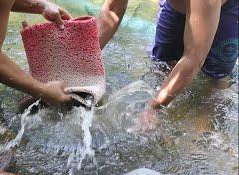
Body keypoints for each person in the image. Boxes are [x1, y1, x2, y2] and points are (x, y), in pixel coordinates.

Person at [98, 0, 238, 129]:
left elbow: (193, 59)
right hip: (177, 6)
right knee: (161, 65)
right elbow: (112, 10)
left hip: (223, 10)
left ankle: (203, 140)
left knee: (214, 82)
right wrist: (83, 63)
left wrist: (153, 108)